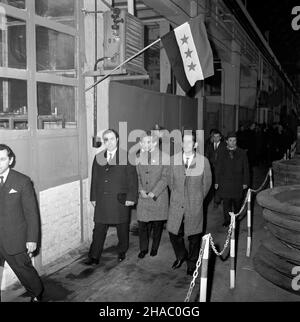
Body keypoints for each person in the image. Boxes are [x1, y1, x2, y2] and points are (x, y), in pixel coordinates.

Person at [84, 129, 138, 265]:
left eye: (112, 139)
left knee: (122, 228)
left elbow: (133, 180)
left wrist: (131, 197)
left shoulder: (127, 157)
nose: (109, 142)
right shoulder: (98, 157)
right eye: (106, 139)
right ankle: (94, 255)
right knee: (99, 228)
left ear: (117, 140)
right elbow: (94, 179)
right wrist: (93, 197)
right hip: (102, 200)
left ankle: (122, 251)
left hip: (120, 199)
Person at [0, 144, 44, 302]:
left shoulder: (22, 181)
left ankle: (37, 293)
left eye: (2, 159)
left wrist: (32, 239)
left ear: (10, 160)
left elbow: (32, 213)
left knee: (25, 272)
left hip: (14, 238)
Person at [167, 131, 212, 276]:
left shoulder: (203, 161)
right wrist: (177, 195)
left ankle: (192, 263)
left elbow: (207, 183)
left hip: (194, 203)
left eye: (189, 142)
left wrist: (198, 198)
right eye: (183, 141)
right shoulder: (173, 160)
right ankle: (181, 256)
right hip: (177, 202)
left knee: (194, 236)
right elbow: (170, 182)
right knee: (174, 232)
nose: (185, 145)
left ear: (195, 144)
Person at [135, 131, 169, 259]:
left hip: (158, 197)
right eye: (143, 142)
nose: (146, 144)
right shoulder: (138, 157)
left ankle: (154, 247)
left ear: (155, 142)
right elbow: (136, 176)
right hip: (143, 196)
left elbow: (166, 177)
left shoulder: (164, 157)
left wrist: (154, 192)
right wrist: (141, 190)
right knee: (142, 224)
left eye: (149, 142)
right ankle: (143, 249)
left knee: (157, 225)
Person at [215, 132, 250, 227]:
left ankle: (236, 219)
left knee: (237, 203)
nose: (232, 142)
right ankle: (227, 220)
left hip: (237, 183)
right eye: (230, 140)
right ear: (226, 141)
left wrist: (246, 182)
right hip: (225, 182)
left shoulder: (242, 153)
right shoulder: (221, 152)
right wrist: (216, 182)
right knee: (226, 203)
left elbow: (246, 168)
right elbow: (218, 167)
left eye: (234, 140)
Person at [205, 130, 226, 208]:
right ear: (212, 138)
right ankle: (215, 199)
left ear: (220, 138)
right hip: (212, 168)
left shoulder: (224, 146)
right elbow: (207, 156)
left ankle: (217, 201)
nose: (216, 138)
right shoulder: (209, 146)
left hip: (221, 169)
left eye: (218, 137)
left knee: (219, 185)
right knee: (212, 184)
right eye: (214, 137)